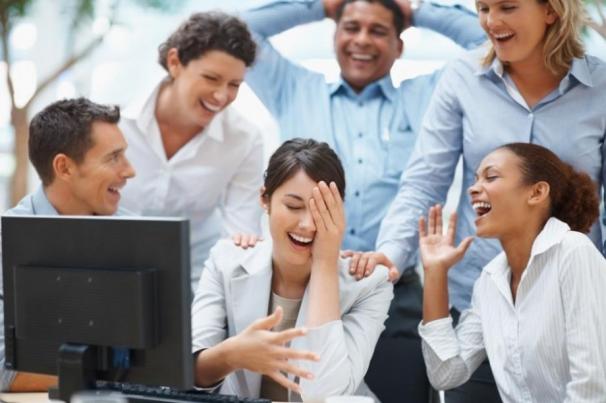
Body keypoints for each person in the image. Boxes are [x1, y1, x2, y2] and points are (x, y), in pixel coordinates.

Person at [240, 1, 485, 400]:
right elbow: (240, 30)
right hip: (301, 290)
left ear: (399, 45)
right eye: (351, 27)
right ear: (334, 34)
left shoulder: (427, 95)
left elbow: (485, 41)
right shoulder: (293, 88)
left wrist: (415, 10)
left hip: (392, 291)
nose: (362, 40)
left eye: (379, 31)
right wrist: (322, 6)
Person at [376, 0, 606, 400]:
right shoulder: (463, 77)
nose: (490, 21)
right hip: (476, 297)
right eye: (483, 7)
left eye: (507, 7)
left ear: (551, 10)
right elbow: (425, 181)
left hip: (573, 303)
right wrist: (394, 256)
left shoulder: (600, 87)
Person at [191, 138, 393, 401]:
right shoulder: (225, 260)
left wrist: (324, 263)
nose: (307, 224)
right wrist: (233, 355)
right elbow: (190, 374)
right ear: (265, 199)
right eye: (294, 206)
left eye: (322, 210)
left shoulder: (370, 284)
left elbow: (326, 394)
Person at [417, 143, 606, 402]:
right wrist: (435, 272)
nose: (473, 188)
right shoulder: (489, 281)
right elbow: (446, 374)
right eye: (475, 179)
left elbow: (591, 387)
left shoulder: (573, 252)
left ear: (537, 192)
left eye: (491, 177)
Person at [119, 12, 264, 290]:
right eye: (211, 78)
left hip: (196, 282)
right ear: (174, 62)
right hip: (110, 273)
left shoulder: (244, 140)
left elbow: (241, 235)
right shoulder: (114, 122)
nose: (222, 96)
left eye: (234, 85)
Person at [0, 98, 136, 391]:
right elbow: (2, 369)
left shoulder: (136, 234)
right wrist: (117, 377)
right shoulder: (6, 243)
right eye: (113, 157)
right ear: (64, 167)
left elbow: (164, 356)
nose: (129, 171)